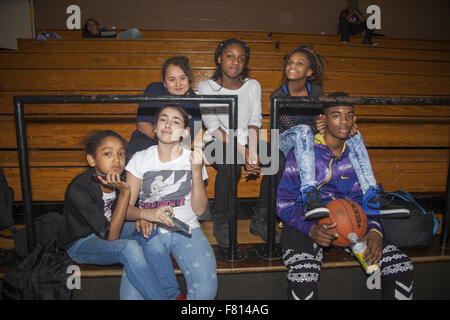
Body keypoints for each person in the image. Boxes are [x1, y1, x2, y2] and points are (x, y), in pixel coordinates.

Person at [277, 92, 414, 300]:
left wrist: (375, 230)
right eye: (336, 115)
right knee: (304, 276)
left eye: (350, 115)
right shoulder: (302, 152)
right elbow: (284, 203)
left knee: (401, 267)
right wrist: (310, 228)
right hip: (306, 220)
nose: (345, 121)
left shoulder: (356, 154)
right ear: (323, 120)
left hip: (350, 223)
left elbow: (365, 199)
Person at [276, 46, 409, 220]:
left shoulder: (316, 91)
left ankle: (371, 196)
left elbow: (321, 117)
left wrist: (339, 127)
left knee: (351, 132)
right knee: (303, 130)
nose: (292, 66)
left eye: (299, 63)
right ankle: (309, 192)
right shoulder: (278, 94)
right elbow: (289, 124)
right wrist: (318, 127)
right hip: (284, 141)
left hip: (309, 138)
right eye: (290, 62)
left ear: (309, 72)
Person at [57, 130, 183, 300]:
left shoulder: (121, 177)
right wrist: (124, 193)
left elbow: (128, 211)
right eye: (108, 154)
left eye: (121, 154)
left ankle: (173, 295)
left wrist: (140, 216)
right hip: (82, 242)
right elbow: (111, 236)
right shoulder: (78, 189)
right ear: (92, 160)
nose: (116, 159)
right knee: (129, 248)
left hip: (112, 227)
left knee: (150, 230)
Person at [125, 105, 217, 300]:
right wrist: (145, 214)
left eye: (176, 121)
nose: (168, 124)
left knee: (206, 292)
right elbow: (124, 210)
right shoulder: (140, 159)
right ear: (155, 128)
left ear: (184, 132)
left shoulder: (192, 158)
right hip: (149, 232)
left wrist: (195, 170)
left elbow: (200, 209)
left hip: (185, 228)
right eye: (163, 119)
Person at [199, 38, 281, 246]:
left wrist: (252, 149)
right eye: (230, 56)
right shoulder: (206, 87)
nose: (235, 62)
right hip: (216, 142)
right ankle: (223, 220)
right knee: (231, 163)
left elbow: (255, 121)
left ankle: (262, 217)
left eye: (241, 59)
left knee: (277, 158)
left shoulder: (252, 85)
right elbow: (212, 126)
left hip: (246, 141)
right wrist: (244, 153)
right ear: (219, 59)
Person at [127, 56, 201, 157]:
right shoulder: (154, 90)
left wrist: (169, 147)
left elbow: (186, 138)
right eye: (172, 80)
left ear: (189, 79)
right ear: (164, 83)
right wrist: (163, 143)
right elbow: (143, 125)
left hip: (175, 146)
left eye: (183, 78)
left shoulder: (196, 103)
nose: (178, 84)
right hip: (146, 140)